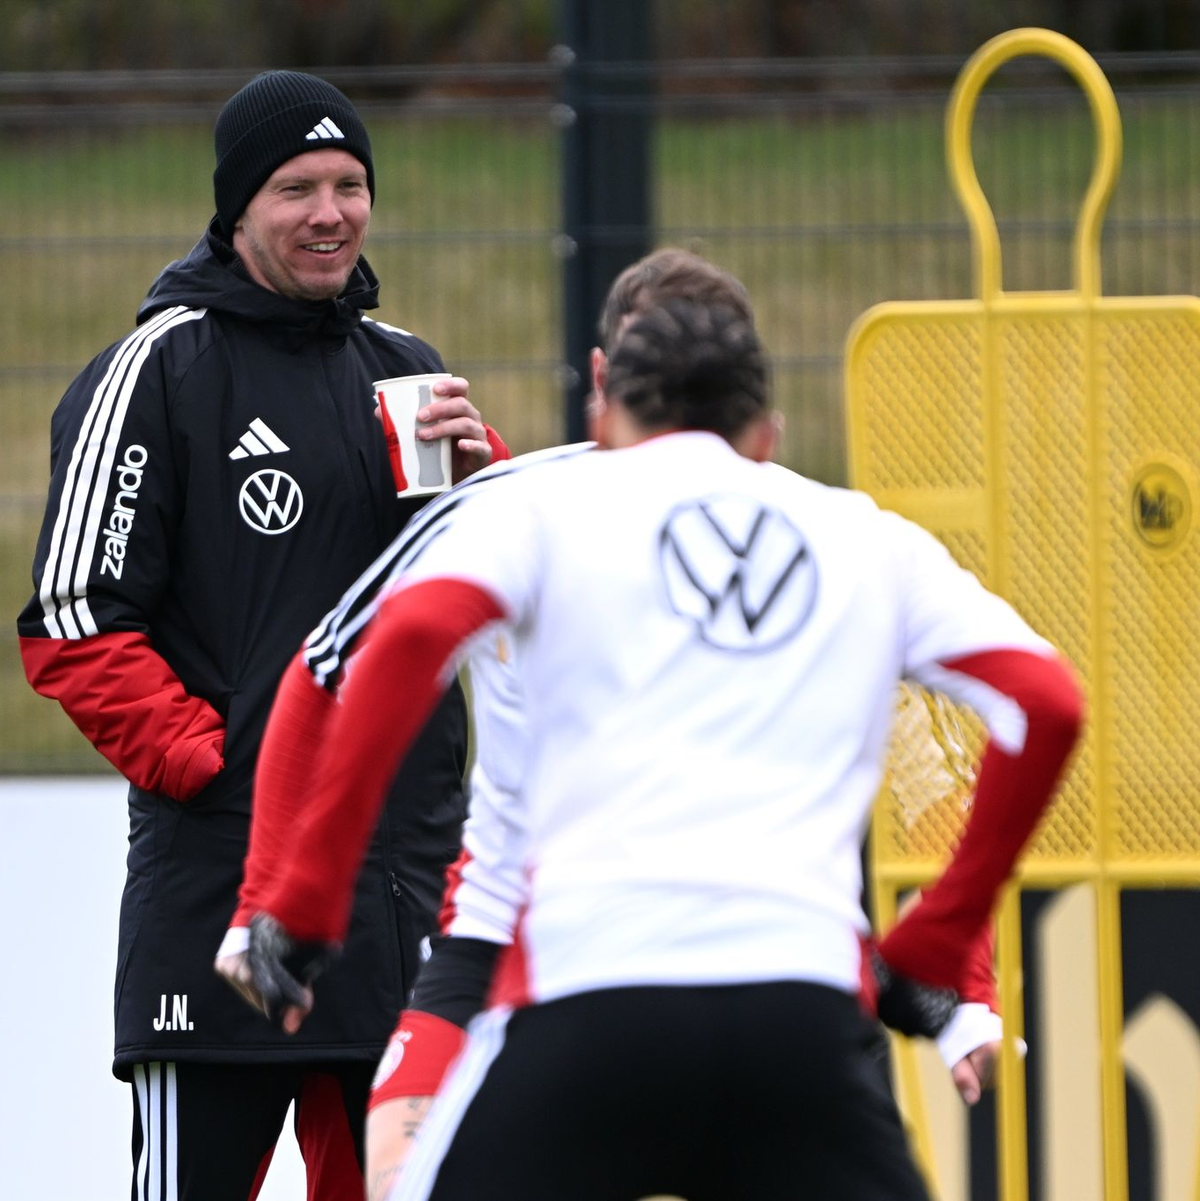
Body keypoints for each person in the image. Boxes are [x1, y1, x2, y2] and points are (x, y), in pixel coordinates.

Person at [227, 295, 1083, 1199]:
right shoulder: (865, 536)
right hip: (798, 1016)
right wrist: (940, 943)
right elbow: (1048, 703)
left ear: (601, 410)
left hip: (588, 1000)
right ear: (766, 432)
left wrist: (305, 902)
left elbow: (400, 646)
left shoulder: (538, 511)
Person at [17, 69, 507, 1200]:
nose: (329, 212)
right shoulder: (160, 368)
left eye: (349, 184)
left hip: (395, 913)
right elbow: (75, 625)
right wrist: (232, 769)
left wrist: (488, 486)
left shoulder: (405, 368)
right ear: (236, 209)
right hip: (220, 906)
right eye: (296, 188)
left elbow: (485, 612)